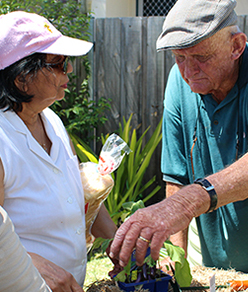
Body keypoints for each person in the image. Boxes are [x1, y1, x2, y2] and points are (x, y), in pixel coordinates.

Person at [109, 0, 248, 276]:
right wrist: (175, 260)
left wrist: (185, 204)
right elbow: (176, 177)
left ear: (236, 46)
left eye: (201, 58)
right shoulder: (180, 82)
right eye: (179, 58)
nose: (188, 71)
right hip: (218, 272)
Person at [0, 11, 117, 292]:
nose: (69, 71)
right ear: (21, 78)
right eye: (58, 64)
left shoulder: (52, 120)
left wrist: (117, 240)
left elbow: (75, 191)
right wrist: (32, 265)